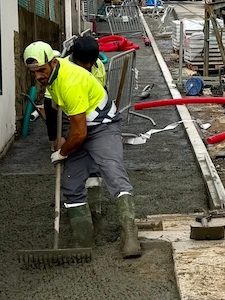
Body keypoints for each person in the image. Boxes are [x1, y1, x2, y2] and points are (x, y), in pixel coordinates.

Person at [23, 41, 142, 259]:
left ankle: (130, 235)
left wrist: (62, 152)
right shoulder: (53, 77)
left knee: (113, 173)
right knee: (71, 183)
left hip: (103, 126)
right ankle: (84, 242)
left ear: (53, 62)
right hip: (82, 125)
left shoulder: (71, 81)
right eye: (34, 72)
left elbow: (79, 134)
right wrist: (57, 139)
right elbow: (56, 111)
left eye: (41, 70)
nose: (38, 76)